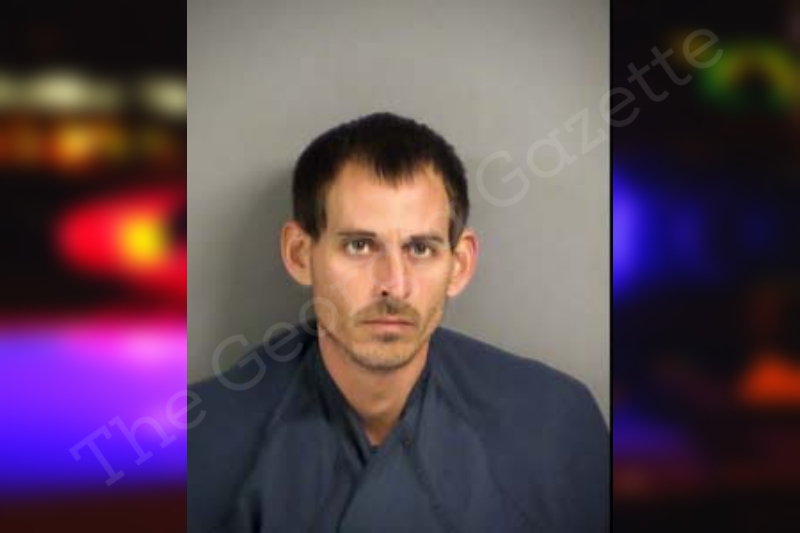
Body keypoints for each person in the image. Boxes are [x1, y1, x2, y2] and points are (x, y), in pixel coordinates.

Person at [188, 112, 608, 532]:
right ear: (300, 254)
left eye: (420, 249)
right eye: (359, 245)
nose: (394, 285)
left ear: (459, 265)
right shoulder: (199, 448)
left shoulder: (554, 430)